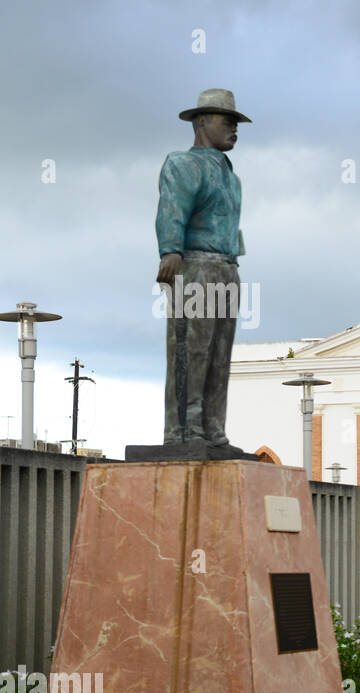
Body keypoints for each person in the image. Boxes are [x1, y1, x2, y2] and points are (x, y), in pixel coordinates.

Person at [155, 89, 251, 453]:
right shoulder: (183, 163)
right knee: (191, 351)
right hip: (194, 264)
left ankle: (213, 428)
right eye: (227, 121)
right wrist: (170, 250)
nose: (234, 128)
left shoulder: (231, 176)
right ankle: (184, 430)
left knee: (219, 353)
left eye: (236, 122)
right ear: (201, 122)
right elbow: (172, 207)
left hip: (227, 267)